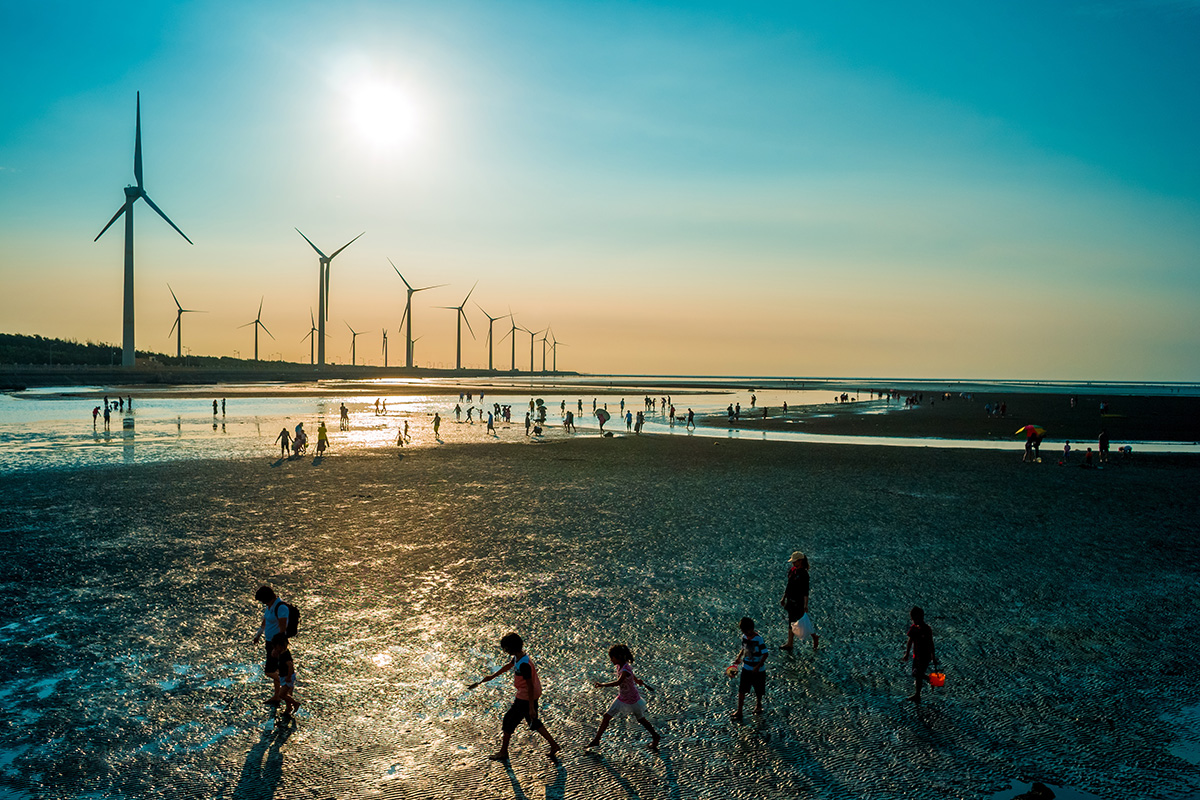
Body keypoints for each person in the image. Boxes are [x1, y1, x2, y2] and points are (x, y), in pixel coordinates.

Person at [466, 632, 561, 761]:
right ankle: (554, 745)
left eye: (505, 648)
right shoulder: (520, 657)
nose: (504, 650)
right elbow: (508, 666)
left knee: (508, 721)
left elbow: (530, 686)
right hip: (528, 695)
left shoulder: (524, 665)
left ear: (511, 648)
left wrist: (531, 707)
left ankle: (503, 752)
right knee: (533, 722)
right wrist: (492, 677)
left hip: (526, 697)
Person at [587, 644, 660, 750]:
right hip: (622, 697)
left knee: (641, 719)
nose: (611, 660)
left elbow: (618, 682)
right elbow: (631, 674)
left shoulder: (625, 669)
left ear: (618, 657)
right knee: (607, 716)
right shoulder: (621, 666)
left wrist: (602, 685)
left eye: (612, 658)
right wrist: (636, 680)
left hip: (633, 699)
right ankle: (596, 740)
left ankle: (655, 736)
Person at [251, 586, 290, 706]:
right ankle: (277, 695)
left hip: (277, 644)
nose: (262, 603)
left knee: (269, 671)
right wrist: (258, 635)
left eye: (263, 600)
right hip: (269, 642)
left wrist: (277, 647)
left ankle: (287, 684)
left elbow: (283, 629)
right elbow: (265, 622)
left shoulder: (281, 607)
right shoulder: (270, 606)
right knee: (276, 669)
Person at [780, 551, 818, 652]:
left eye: (795, 562)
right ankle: (790, 643)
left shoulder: (804, 574)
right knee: (791, 621)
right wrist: (784, 598)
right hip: (791, 600)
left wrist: (806, 605)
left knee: (802, 620)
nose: (793, 564)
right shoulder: (792, 571)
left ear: (800, 561)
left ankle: (814, 636)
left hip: (798, 601)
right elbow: (788, 586)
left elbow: (805, 591)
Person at [731, 616, 767, 721]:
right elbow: (743, 648)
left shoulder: (759, 639)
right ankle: (739, 711)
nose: (745, 633)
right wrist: (738, 658)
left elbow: (765, 654)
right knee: (741, 690)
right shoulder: (744, 637)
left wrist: (758, 666)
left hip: (758, 670)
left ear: (751, 629)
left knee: (758, 689)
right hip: (746, 668)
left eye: (746, 631)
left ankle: (758, 704)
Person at [901, 606, 937, 703]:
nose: (913, 621)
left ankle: (918, 693)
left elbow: (931, 642)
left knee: (918, 674)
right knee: (916, 674)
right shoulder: (913, 629)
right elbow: (910, 641)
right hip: (916, 656)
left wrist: (933, 656)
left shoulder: (927, 629)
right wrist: (907, 653)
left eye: (914, 618)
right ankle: (922, 688)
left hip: (925, 657)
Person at [267, 634, 300, 717]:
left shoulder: (285, 655)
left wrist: (288, 677)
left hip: (287, 677)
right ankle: (289, 707)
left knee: (282, 695)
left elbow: (290, 666)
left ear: (280, 645)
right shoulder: (282, 653)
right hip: (283, 676)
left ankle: (295, 703)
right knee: (285, 694)